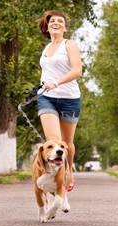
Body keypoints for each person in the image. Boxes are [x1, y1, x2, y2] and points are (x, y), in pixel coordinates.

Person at [37, 10, 82, 192]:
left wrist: (55, 82)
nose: (56, 23)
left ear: (65, 27)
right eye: (52, 21)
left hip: (70, 99)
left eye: (60, 21)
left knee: (67, 144)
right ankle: (56, 179)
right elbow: (47, 73)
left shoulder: (69, 44)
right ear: (47, 27)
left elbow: (77, 71)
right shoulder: (46, 48)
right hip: (47, 98)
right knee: (54, 140)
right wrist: (43, 86)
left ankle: (69, 171)